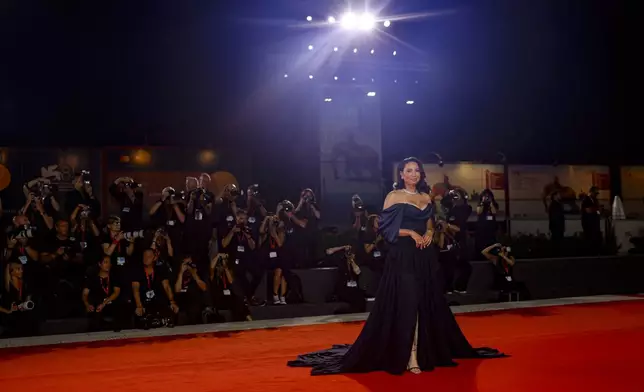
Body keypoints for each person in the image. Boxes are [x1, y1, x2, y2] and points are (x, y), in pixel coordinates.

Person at [287, 157, 505, 375]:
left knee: (423, 303)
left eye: (416, 170)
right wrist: (410, 232)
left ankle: (420, 351)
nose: (413, 174)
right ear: (401, 174)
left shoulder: (425, 197)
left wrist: (429, 232)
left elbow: (429, 221)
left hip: (424, 256)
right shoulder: (394, 196)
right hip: (402, 256)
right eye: (408, 171)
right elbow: (385, 228)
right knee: (408, 303)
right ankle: (409, 356)